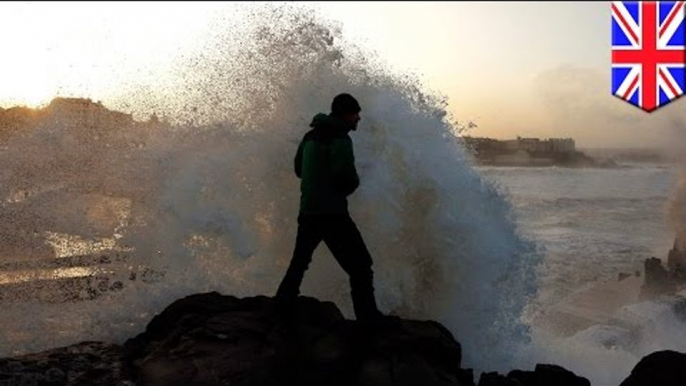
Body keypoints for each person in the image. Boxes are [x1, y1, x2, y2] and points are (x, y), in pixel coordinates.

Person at [276, 93, 392, 326]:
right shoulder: (340, 138)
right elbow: (344, 177)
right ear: (346, 114)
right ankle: (369, 319)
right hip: (332, 214)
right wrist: (353, 184)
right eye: (356, 114)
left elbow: (299, 169)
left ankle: (281, 306)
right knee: (361, 266)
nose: (358, 118)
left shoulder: (309, 136)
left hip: (308, 210)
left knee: (300, 261)